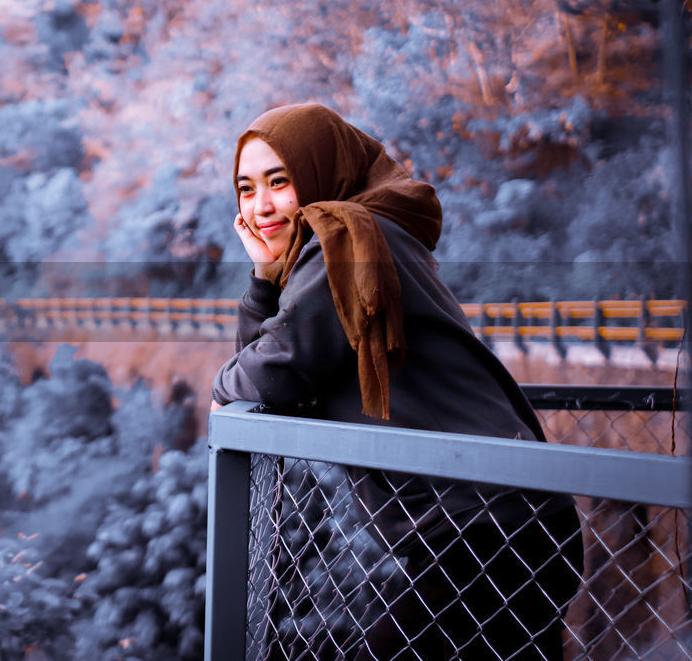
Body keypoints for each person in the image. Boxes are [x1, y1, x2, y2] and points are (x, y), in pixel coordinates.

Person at [208, 103, 583, 660]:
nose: (261, 206)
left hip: (482, 526)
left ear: (319, 171)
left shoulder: (345, 239)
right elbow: (269, 365)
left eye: (280, 181)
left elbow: (266, 373)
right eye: (246, 188)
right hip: (504, 517)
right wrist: (264, 281)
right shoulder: (361, 235)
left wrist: (230, 374)